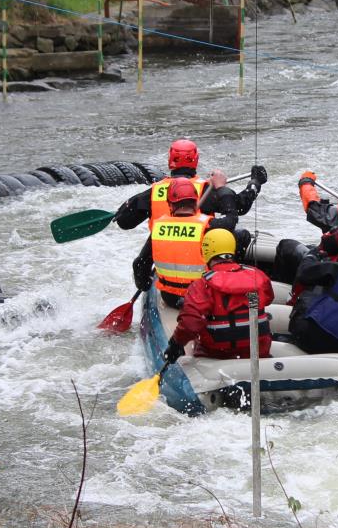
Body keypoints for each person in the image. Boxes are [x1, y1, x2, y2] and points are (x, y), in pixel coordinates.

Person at [163, 228, 275, 362]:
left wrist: (176, 344)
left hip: (217, 355)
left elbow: (190, 323)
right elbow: (268, 298)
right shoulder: (257, 275)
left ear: (206, 251)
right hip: (258, 352)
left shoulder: (202, 285)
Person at [113, 138, 268, 230]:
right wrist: (255, 183)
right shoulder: (206, 190)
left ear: (170, 161)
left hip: (163, 254)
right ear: (196, 160)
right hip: (196, 255)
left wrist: (125, 206)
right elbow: (240, 207)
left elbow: (125, 222)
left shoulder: (153, 192)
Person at [135, 176, 211, 305]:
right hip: (200, 298)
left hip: (170, 298)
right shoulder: (208, 226)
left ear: (170, 204)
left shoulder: (158, 228)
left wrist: (145, 285)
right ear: (195, 202)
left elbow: (139, 263)